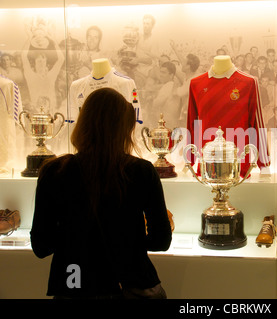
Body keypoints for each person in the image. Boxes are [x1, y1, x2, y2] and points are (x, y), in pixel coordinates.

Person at [30, 87, 173, 299]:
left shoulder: (54, 171)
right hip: (131, 281)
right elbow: (161, 241)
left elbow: (41, 246)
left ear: (83, 123)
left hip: (74, 280)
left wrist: (74, 234)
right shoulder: (141, 171)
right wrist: (129, 236)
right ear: (125, 129)